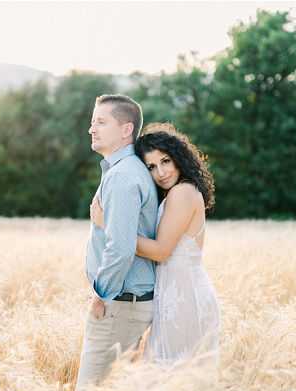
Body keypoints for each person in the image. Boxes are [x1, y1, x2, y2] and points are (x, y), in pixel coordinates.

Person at [91, 122, 220, 366]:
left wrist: (109, 225)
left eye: (165, 161)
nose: (161, 172)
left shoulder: (182, 193)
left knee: (171, 376)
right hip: (176, 293)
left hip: (183, 298)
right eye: (151, 166)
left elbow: (161, 252)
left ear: (179, 158)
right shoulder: (179, 192)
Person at [75, 94, 159, 391]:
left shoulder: (123, 176)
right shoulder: (123, 171)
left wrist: (101, 293)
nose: (91, 129)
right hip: (126, 305)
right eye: (91, 122)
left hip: (119, 306)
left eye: (100, 122)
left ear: (126, 129)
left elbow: (120, 249)